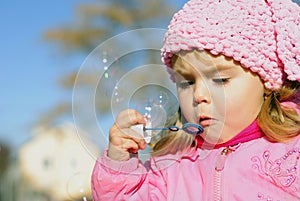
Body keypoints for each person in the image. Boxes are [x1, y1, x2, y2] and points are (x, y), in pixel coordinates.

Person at [91, 0, 300, 200]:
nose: (199, 95)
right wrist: (119, 165)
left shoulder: (292, 153)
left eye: (219, 79)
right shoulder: (170, 166)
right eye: (187, 83)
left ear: (266, 82)